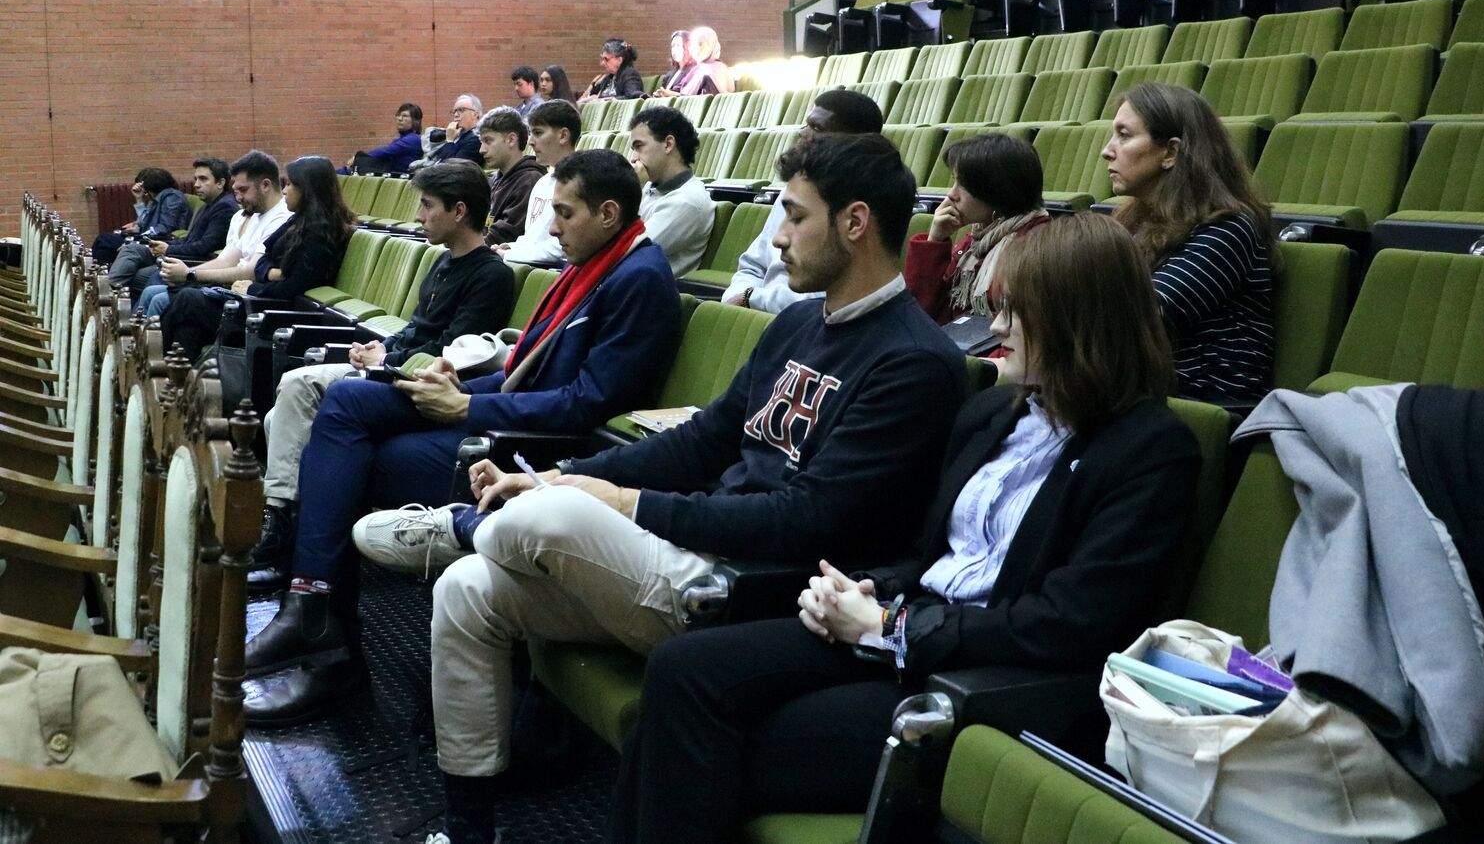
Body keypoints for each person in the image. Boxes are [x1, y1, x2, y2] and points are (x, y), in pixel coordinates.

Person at [393, 133, 968, 844]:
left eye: (794, 217)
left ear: (855, 223)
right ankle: (470, 825)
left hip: (750, 588)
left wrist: (618, 505)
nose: (778, 238)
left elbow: (812, 519)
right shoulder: (794, 321)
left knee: (545, 521)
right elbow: (703, 440)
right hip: (686, 549)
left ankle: (458, 526)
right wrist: (556, 476)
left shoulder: (914, 361)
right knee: (468, 591)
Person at [612, 213, 1202, 843]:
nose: (996, 329)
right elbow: (928, 554)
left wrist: (894, 628)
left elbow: (1067, 623)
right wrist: (861, 591)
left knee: (698, 737)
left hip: (978, 678)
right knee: (679, 672)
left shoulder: (1151, 452)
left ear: (1078, 320)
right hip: (899, 631)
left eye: (1016, 311)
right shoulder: (993, 415)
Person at [240, 149, 682, 727]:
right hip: (506, 419)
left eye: (565, 214)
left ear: (607, 213)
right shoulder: (595, 266)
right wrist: (458, 380)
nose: (551, 226)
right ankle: (315, 614)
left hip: (534, 453)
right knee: (345, 410)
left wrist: (469, 404)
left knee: (346, 460)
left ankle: (323, 633)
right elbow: (532, 372)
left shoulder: (639, 280)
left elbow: (589, 404)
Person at [248, 160, 516, 591]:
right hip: (392, 365)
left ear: (460, 211)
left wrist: (387, 362)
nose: (418, 216)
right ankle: (285, 525)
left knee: (298, 387)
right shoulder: (442, 262)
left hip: (420, 383)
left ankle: (284, 535)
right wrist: (382, 349)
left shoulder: (492, 275)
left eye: (428, 206)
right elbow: (415, 329)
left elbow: (452, 352)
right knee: (279, 418)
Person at [1101, 82, 1273, 406]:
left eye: (1124, 135)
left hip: (1204, 408)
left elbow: (1140, 317)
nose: (1107, 150)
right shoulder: (1132, 220)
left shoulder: (1228, 228)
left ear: (1170, 152)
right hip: (1143, 394)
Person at [159, 156, 351, 361]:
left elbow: (291, 289)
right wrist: (272, 272)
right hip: (259, 303)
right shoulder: (298, 220)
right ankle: (176, 378)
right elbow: (262, 261)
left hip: (273, 314)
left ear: (309, 190)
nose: (285, 190)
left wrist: (251, 288)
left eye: (291, 184)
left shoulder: (321, 234)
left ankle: (157, 365)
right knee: (189, 326)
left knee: (188, 299)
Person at [724, 89, 885, 313]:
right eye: (806, 124)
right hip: (756, 315)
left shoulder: (856, 209)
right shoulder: (793, 191)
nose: (803, 133)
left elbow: (821, 298)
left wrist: (752, 298)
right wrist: (739, 297)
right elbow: (751, 266)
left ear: (852, 141)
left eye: (816, 128)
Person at [904, 133, 1048, 326]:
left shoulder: (1033, 247)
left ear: (996, 191)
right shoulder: (978, 237)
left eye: (963, 185)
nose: (951, 194)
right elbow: (921, 311)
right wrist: (935, 240)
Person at [139, 150, 292, 321]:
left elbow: (251, 272)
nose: (238, 198)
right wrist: (186, 272)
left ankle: (148, 342)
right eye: (236, 190)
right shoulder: (252, 213)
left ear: (265, 185)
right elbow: (225, 260)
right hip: (229, 288)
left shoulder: (281, 218)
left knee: (165, 299)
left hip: (249, 300)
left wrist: (190, 275)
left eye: (243, 190)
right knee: (159, 297)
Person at [108, 157, 239, 299]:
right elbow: (189, 240)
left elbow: (204, 247)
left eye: (203, 179)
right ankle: (109, 296)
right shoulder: (209, 204)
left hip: (193, 264)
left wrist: (168, 249)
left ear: (220, 183)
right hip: (180, 255)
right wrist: (157, 245)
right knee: (131, 249)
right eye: (195, 179)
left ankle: (109, 299)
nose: (196, 184)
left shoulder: (224, 207)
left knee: (135, 272)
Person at [629, 106, 715, 275]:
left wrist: (630, 187)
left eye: (639, 147)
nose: (633, 158)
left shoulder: (688, 202)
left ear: (668, 144)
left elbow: (626, 251)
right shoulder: (649, 186)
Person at [498, 100, 578, 265]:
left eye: (538, 133)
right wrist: (511, 248)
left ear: (563, 135)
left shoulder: (580, 183)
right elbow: (533, 239)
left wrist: (509, 255)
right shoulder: (542, 182)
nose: (531, 141)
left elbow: (562, 248)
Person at [93, 167, 193, 266]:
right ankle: (101, 272)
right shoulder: (155, 199)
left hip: (161, 240)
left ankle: (101, 273)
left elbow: (165, 227)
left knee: (105, 241)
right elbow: (143, 222)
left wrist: (139, 237)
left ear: (147, 185)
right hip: (149, 236)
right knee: (104, 239)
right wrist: (139, 199)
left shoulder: (172, 197)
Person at [476, 108, 546, 248]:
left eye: (488, 141)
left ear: (511, 139)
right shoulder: (493, 180)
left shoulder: (530, 180)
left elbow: (505, 234)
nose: (481, 149)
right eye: (481, 142)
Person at [347, 103, 424, 174]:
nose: (399, 119)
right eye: (398, 115)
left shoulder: (413, 139)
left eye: (405, 116)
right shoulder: (403, 138)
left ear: (416, 121)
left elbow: (385, 152)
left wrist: (359, 158)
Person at [671, 26, 734, 97]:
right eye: (694, 44)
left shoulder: (716, 69)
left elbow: (706, 100)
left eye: (700, 44)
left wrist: (672, 95)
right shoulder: (696, 69)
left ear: (711, 45)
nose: (696, 48)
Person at [579, 39, 644, 102]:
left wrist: (601, 99)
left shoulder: (630, 74)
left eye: (606, 59)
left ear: (619, 60)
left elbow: (633, 97)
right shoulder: (608, 78)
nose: (602, 63)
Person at [433, 94, 485, 165]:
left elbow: (449, 168)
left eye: (461, 110)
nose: (456, 115)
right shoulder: (461, 134)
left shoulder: (476, 138)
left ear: (475, 115)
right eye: (454, 111)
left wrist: (449, 140)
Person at [652, 30, 691, 96]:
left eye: (678, 45)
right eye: (673, 46)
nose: (674, 49)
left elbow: (693, 98)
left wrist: (671, 94)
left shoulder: (693, 72)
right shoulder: (669, 75)